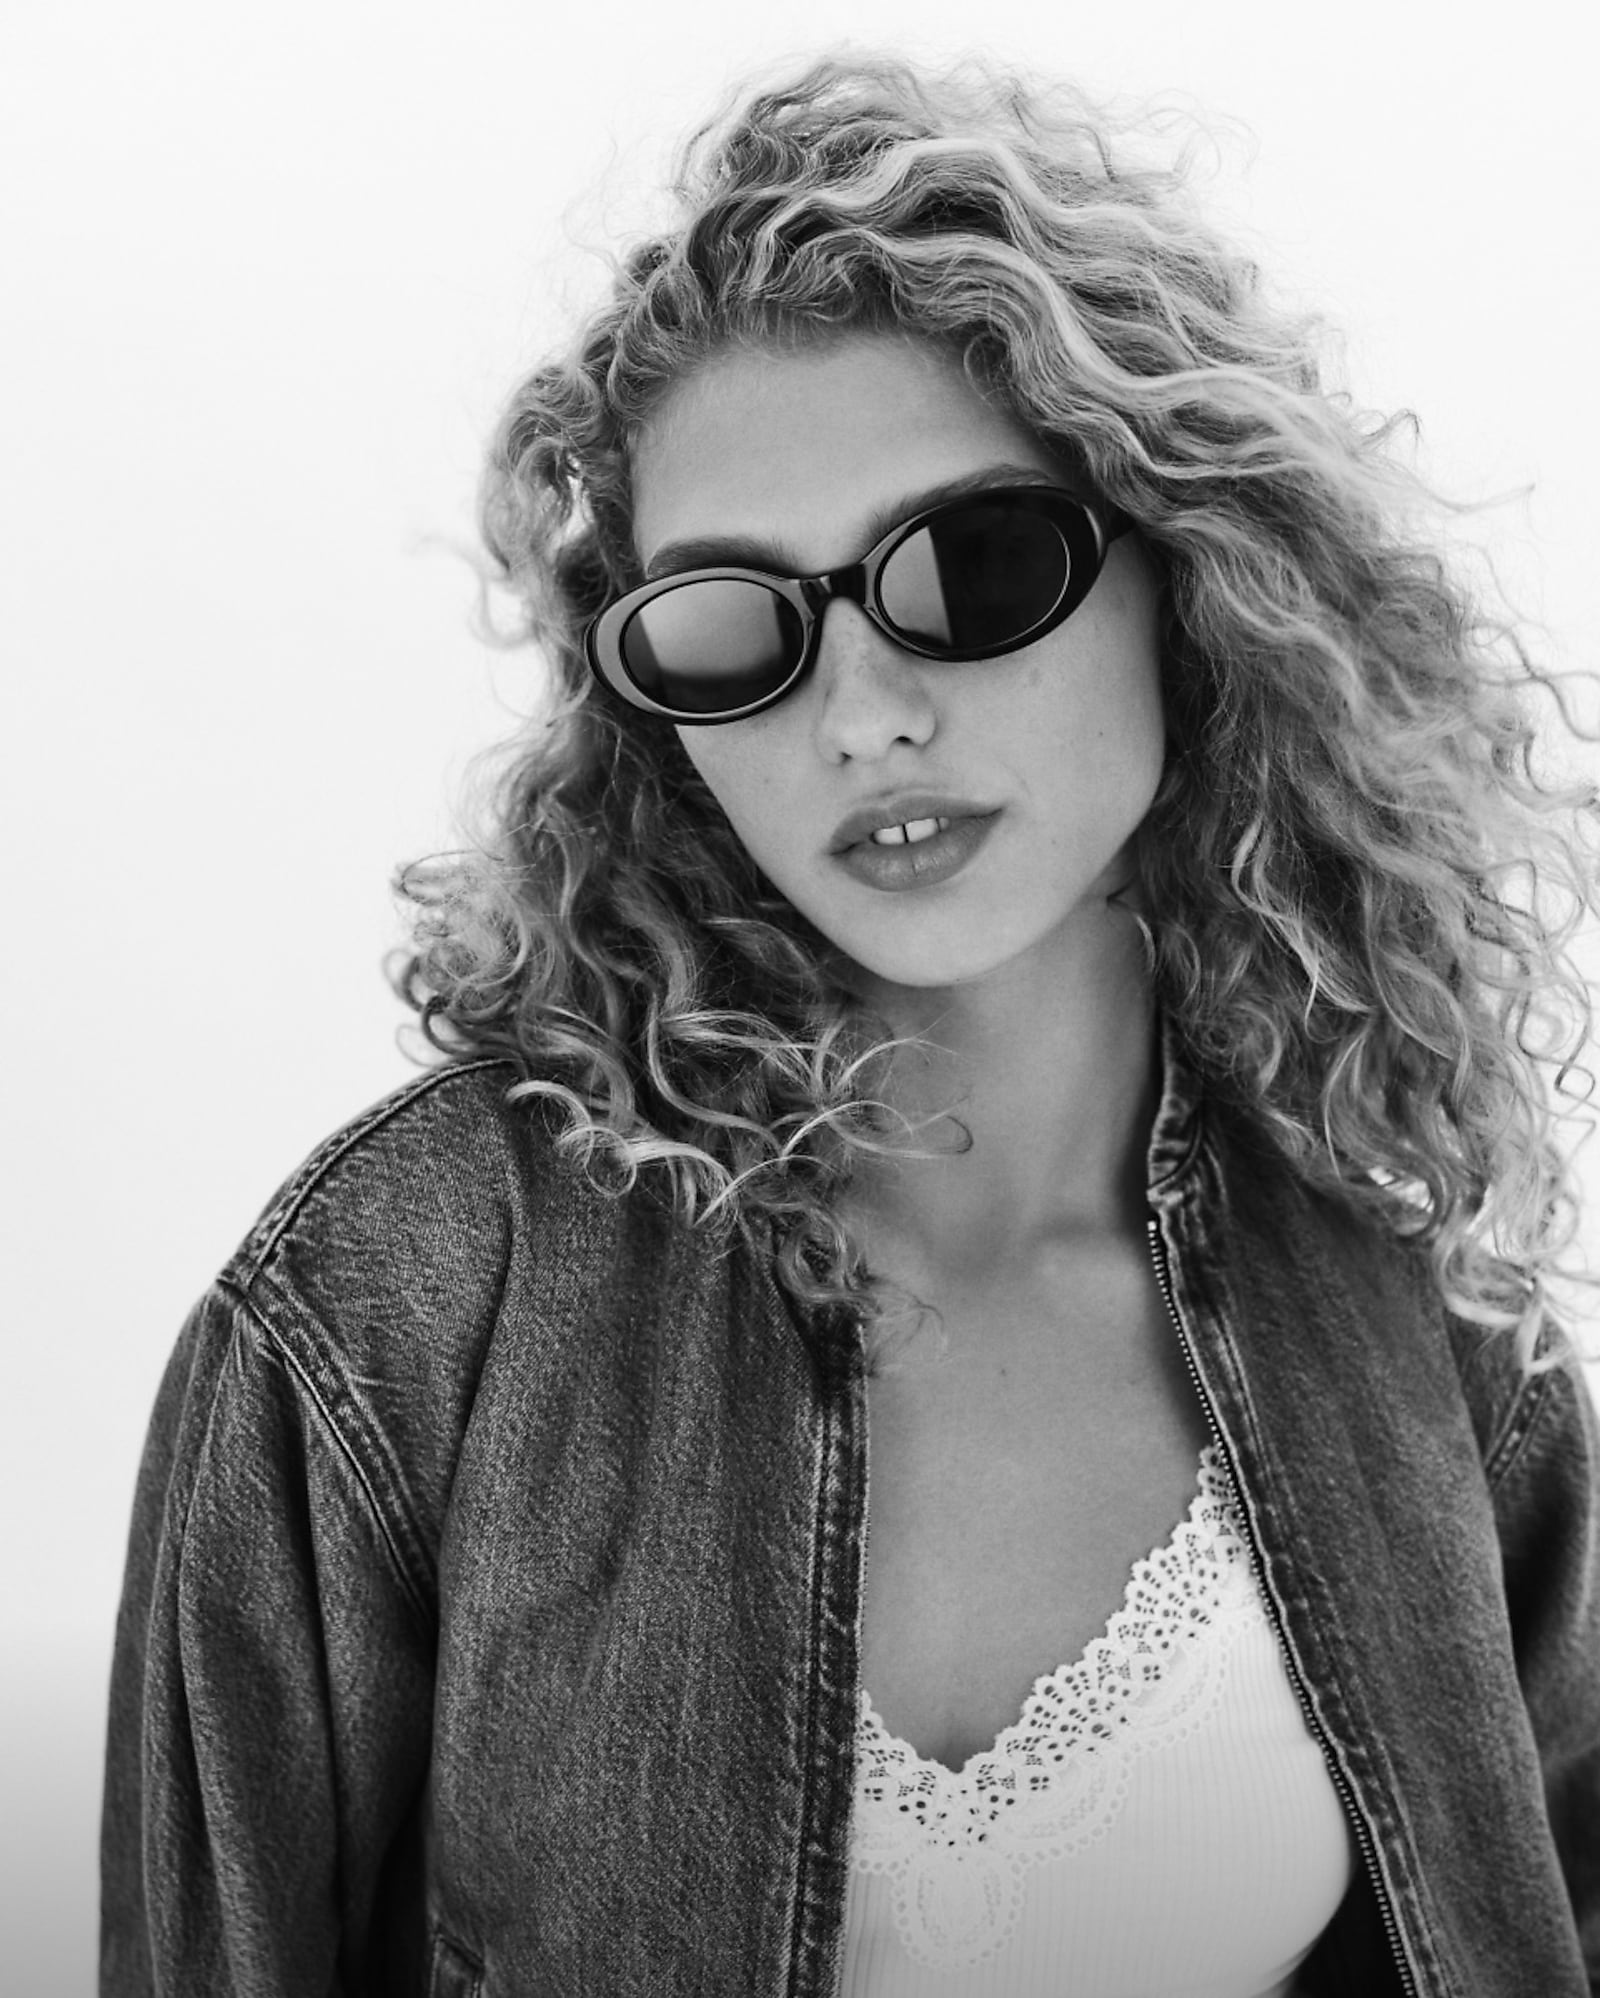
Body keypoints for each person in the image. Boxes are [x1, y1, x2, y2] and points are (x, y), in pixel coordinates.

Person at [100, 50, 1600, 1998]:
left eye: (968, 567)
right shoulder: (390, 1317)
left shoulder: (1429, 1349)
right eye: (730, 626)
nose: (861, 710)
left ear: (1189, 569)